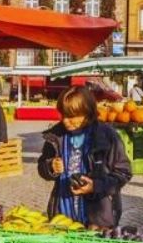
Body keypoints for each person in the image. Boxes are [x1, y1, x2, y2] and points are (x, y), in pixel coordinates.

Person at [38, 86, 132, 228]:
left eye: (71, 116)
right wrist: (50, 166)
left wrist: (95, 186)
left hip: (97, 219)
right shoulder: (56, 135)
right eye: (63, 115)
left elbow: (123, 173)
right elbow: (42, 167)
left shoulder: (106, 136)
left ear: (87, 113)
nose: (65, 121)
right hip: (62, 218)